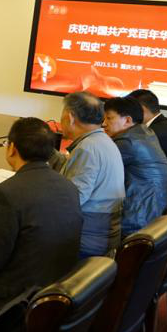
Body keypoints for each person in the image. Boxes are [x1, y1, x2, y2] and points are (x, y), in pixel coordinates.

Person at [0, 117, 82, 330]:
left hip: (13, 301)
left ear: (12, 149)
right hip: (54, 290)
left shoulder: (6, 193)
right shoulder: (68, 186)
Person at [51, 92, 125, 258]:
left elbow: (73, 201)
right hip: (103, 234)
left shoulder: (87, 149)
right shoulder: (103, 141)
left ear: (70, 117)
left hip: (87, 240)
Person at [103, 97, 167, 236]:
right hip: (155, 215)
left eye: (109, 118)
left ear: (128, 120)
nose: (104, 124)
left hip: (138, 221)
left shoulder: (127, 142)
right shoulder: (145, 133)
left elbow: (97, 171)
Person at [127, 88, 167, 195]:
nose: (128, 117)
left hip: (166, 196)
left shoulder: (153, 133)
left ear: (142, 110)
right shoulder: (164, 125)